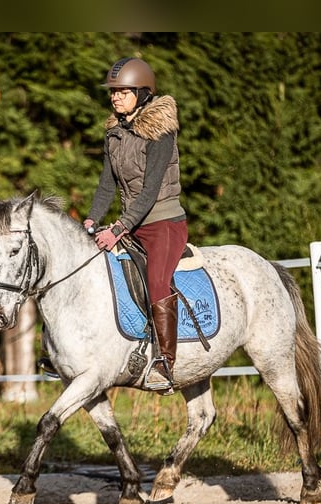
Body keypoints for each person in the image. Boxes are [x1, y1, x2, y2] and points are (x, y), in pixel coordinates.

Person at [83, 57, 188, 390]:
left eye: (123, 92)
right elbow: (106, 184)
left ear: (143, 93)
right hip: (132, 223)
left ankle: (165, 363)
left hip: (163, 223)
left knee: (157, 281)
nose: (115, 97)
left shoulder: (160, 131)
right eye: (113, 92)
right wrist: (92, 218)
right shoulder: (114, 133)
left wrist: (116, 229)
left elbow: (149, 193)